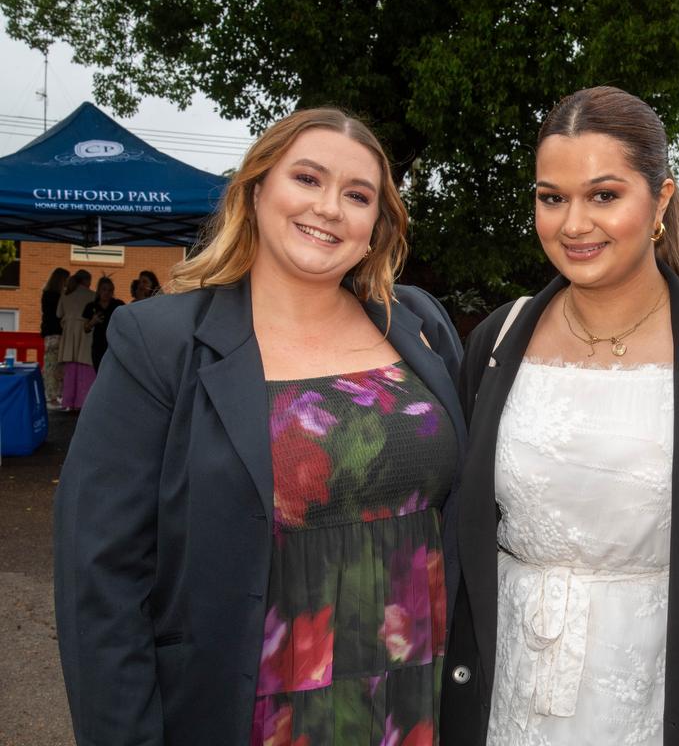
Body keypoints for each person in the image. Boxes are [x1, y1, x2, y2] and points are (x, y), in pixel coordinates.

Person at [54, 107, 466, 746]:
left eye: (357, 195)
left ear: (376, 226)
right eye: (307, 179)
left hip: (416, 696)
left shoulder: (417, 324)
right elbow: (101, 582)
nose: (330, 207)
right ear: (256, 190)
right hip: (253, 705)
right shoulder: (161, 342)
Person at [440, 86, 679, 745]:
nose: (574, 224)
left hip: (660, 692)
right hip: (507, 683)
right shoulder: (496, 339)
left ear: (659, 201)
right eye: (552, 198)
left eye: (604, 195)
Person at [56, 269, 94, 411]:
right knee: (84, 368)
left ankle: (68, 402)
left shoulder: (66, 294)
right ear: (87, 280)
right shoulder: (92, 295)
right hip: (85, 332)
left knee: (70, 369)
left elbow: (58, 313)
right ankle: (82, 402)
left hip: (68, 333)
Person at [40, 266, 70, 406]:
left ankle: (50, 395)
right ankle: (56, 395)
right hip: (59, 334)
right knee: (59, 366)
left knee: (49, 365)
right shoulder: (61, 296)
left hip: (48, 334)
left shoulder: (46, 294)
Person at [82, 276, 125, 369]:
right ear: (99, 290)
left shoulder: (118, 305)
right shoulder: (91, 306)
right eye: (104, 289)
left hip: (114, 346)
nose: (107, 293)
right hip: (98, 346)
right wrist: (93, 322)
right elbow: (85, 328)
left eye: (110, 290)